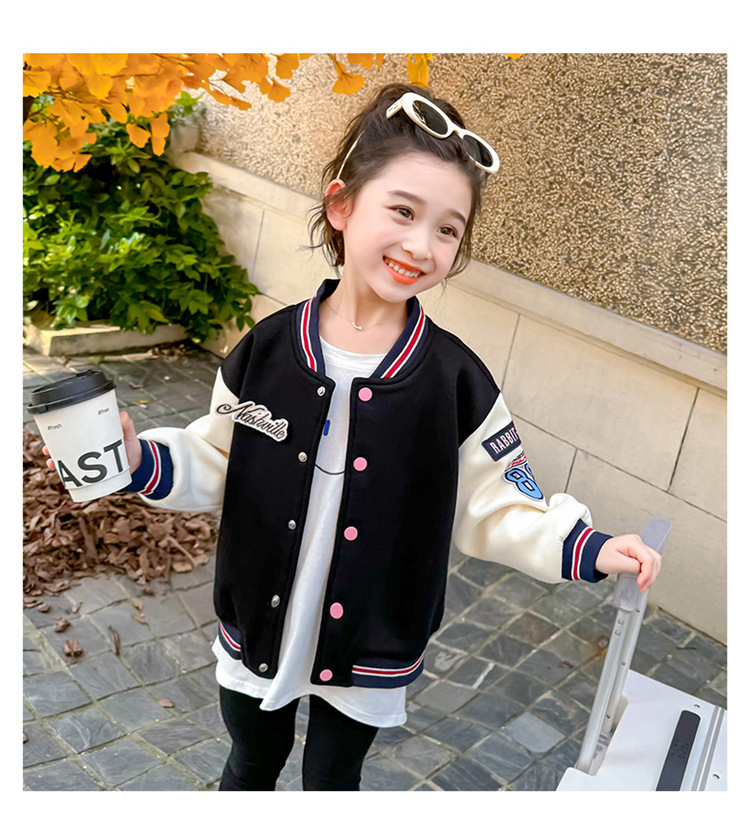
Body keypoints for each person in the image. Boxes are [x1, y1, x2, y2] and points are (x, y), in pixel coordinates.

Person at [43, 82, 661, 791]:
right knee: (249, 762)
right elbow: (217, 454)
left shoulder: (456, 381)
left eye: (448, 229)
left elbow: (498, 504)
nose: (421, 245)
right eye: (403, 211)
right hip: (258, 623)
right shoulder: (267, 350)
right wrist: (138, 460)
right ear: (341, 205)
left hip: (372, 636)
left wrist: (587, 547)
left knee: (334, 779)